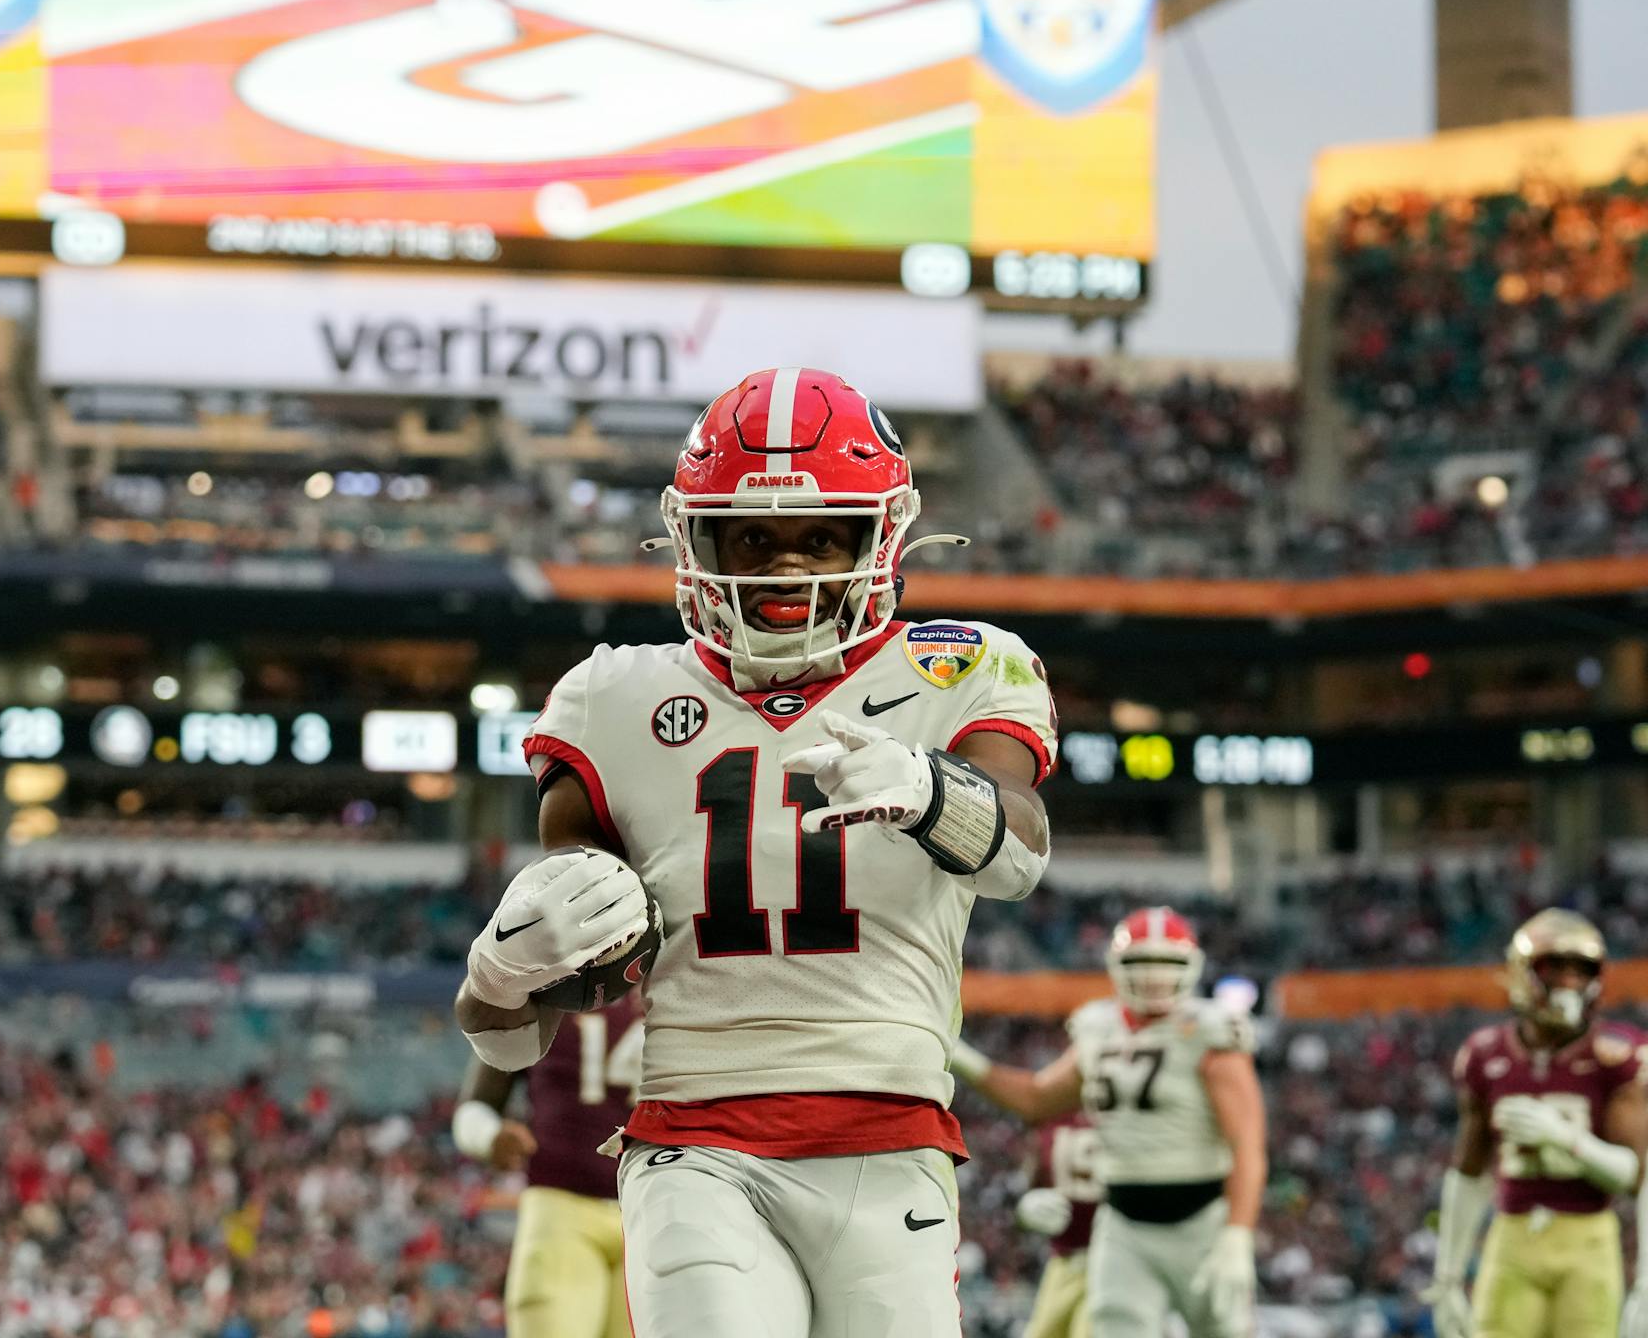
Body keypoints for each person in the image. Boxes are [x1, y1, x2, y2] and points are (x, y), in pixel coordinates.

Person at [455, 367, 1058, 1337]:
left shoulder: (961, 663)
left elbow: (1020, 853)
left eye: (820, 536)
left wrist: (934, 791)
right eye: (754, 537)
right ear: (697, 538)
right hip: (697, 1140)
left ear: (880, 535)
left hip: (891, 1132)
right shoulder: (612, 697)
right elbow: (514, 1031)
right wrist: (501, 970)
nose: (785, 568)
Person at [948, 908, 1266, 1338]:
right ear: (1117, 967)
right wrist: (958, 1054)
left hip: (1200, 1222)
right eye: (1140, 964)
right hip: (1122, 1223)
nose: (1154, 977)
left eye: (1167, 964)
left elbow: (1247, 1146)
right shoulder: (1100, 1028)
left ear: (1190, 968)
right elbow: (1037, 1100)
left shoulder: (1208, 1032)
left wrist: (1238, 1235)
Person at [1425, 909, 1648, 1338]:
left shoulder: (1616, 1053)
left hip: (1588, 1239)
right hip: (1512, 1236)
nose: (1568, 982)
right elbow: (1469, 1172)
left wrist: (1568, 1140)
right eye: (1553, 967)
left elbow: (1635, 1174)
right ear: (1522, 973)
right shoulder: (1486, 1054)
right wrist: (1447, 1277)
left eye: (1580, 970)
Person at [455, 1001, 643, 1338]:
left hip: (653, 1207)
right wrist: (490, 1137)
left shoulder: (678, 977)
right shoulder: (541, 986)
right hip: (561, 1205)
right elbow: (476, 1104)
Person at [1013, 1115, 1101, 1338]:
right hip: (1065, 1259)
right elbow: (1032, 1182)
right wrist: (1025, 1210)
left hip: (1117, 1257)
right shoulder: (1050, 1115)